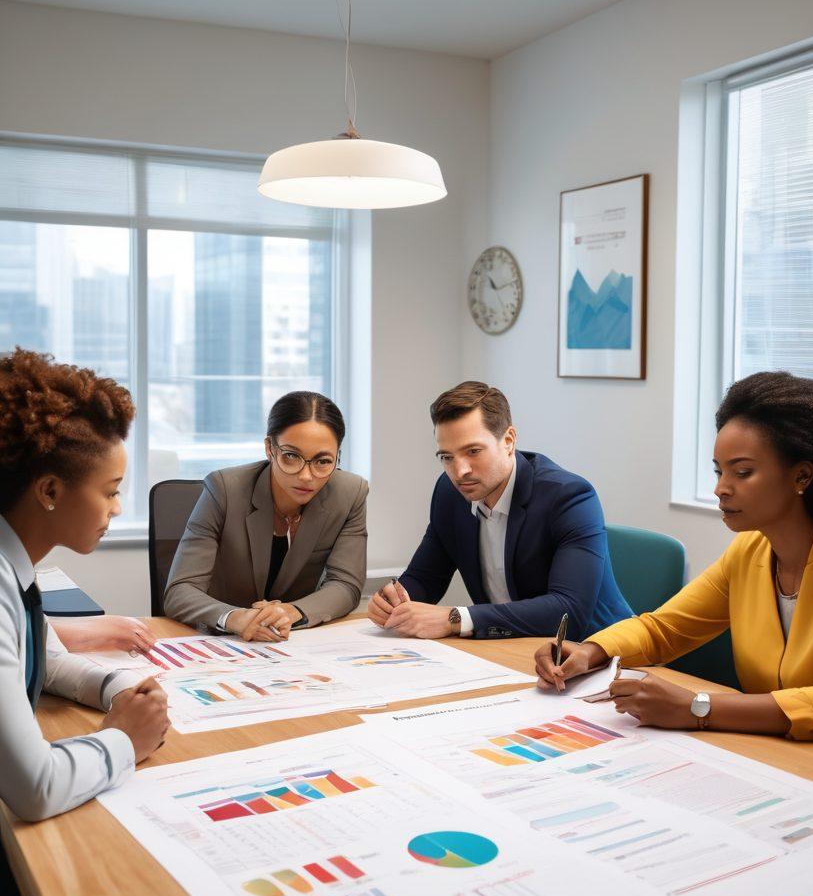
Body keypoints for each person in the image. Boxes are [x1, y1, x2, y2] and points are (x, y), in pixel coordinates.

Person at [535, 369, 813, 896]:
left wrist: (700, 708)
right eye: (717, 469)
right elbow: (667, 627)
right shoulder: (750, 554)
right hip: (784, 772)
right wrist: (592, 649)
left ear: (802, 475)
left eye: (742, 472)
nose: (720, 489)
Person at [0, 349, 168, 823]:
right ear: (50, 491)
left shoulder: (16, 567)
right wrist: (124, 740)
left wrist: (123, 687)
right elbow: (37, 787)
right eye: (111, 491)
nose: (116, 509)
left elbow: (48, 661)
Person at [368, 381, 632, 639]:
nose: (460, 472)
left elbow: (569, 612)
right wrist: (394, 600)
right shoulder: (450, 492)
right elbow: (426, 577)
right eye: (447, 457)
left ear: (508, 440)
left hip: (598, 654)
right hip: (512, 653)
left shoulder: (569, 496)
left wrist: (456, 619)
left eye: (473, 451)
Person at [165, 391, 367, 639]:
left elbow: (346, 585)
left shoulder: (350, 494)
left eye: (323, 461)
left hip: (291, 641)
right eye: (291, 456)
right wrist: (236, 618)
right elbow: (180, 590)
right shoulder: (224, 489)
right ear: (269, 449)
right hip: (221, 640)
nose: (306, 475)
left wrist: (292, 611)